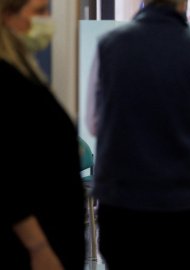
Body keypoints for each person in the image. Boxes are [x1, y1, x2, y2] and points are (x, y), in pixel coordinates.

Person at [85, 0, 190, 269]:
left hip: (121, 197)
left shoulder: (108, 45)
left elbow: (94, 123)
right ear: (183, 2)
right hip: (181, 199)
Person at [2, 0, 86, 269]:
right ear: (7, 16)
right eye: (38, 11)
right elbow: (7, 176)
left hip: (55, 235)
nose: (47, 19)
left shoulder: (25, 72)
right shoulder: (6, 81)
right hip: (33, 248)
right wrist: (38, 247)